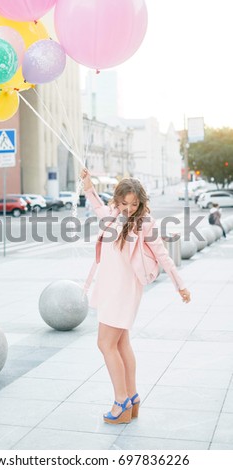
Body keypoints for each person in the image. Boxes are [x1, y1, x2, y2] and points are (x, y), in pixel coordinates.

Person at [80, 168, 191, 425]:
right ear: (117, 200)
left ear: (141, 201)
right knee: (120, 343)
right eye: (124, 203)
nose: (129, 208)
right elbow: (96, 204)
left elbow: (163, 255)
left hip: (124, 290)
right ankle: (132, 397)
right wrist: (87, 185)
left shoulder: (145, 223)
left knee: (105, 344)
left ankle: (121, 402)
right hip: (110, 288)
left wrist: (180, 285)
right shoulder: (112, 216)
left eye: (134, 203)